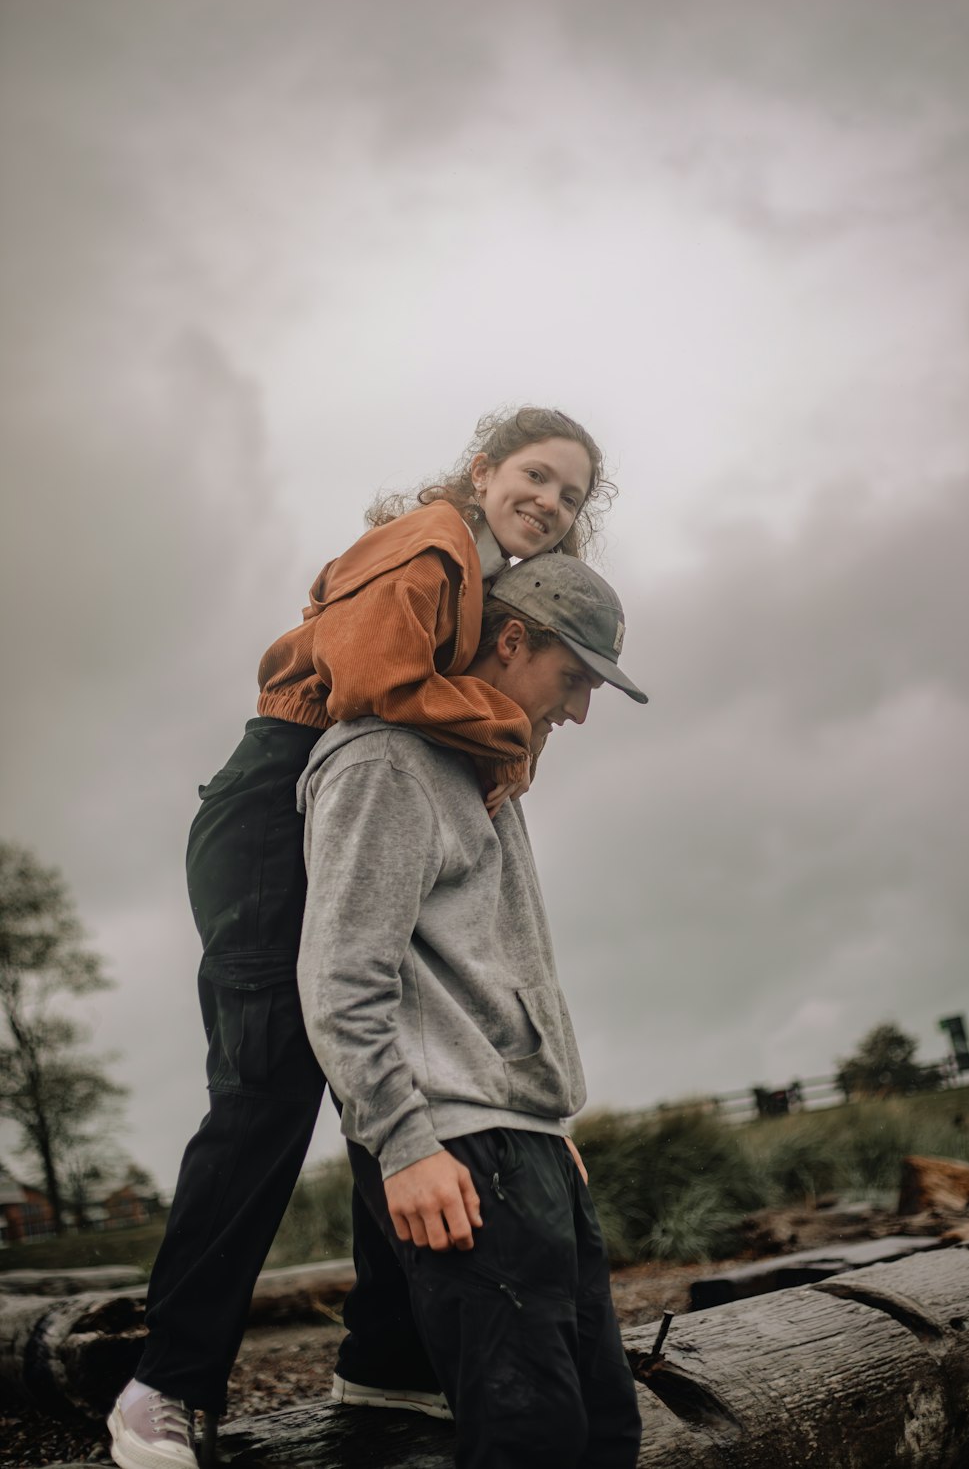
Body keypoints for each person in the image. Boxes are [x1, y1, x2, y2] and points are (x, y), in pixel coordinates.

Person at [108, 408, 613, 1469]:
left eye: (570, 495)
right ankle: (164, 1384)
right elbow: (375, 686)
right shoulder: (431, 543)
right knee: (265, 1095)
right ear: (482, 470)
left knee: (375, 1077)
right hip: (264, 814)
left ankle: (387, 1359)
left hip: (312, 801)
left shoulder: (482, 591)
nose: (549, 503)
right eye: (535, 474)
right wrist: (501, 734)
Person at [297, 553, 648, 1469]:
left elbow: (496, 961)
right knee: (532, 1441)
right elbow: (340, 976)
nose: (576, 711)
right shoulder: (385, 762)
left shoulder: (486, 764)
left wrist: (541, 1109)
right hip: (455, 1148)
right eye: (572, 679)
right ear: (510, 637)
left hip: (524, 1137)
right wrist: (405, 1142)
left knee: (607, 1429)